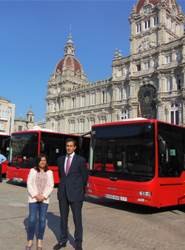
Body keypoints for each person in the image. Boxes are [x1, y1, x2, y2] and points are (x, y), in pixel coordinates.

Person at [53, 138, 88, 250]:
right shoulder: (60, 159)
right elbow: (61, 175)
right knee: (63, 218)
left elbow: (84, 178)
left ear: (75, 147)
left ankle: (78, 244)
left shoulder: (81, 160)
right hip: (63, 193)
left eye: (71, 146)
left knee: (77, 220)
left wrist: (76, 187)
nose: (68, 148)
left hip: (76, 194)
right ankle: (63, 240)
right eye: (67, 146)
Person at [26, 154, 54, 250]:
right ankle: (30, 239)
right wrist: (36, 195)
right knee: (32, 220)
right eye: (41, 160)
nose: (43, 162)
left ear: (46, 162)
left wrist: (43, 196)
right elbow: (29, 183)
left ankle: (40, 240)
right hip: (33, 198)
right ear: (37, 161)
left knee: (42, 220)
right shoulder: (32, 171)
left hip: (44, 199)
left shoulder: (50, 172)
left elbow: (51, 186)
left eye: (44, 160)